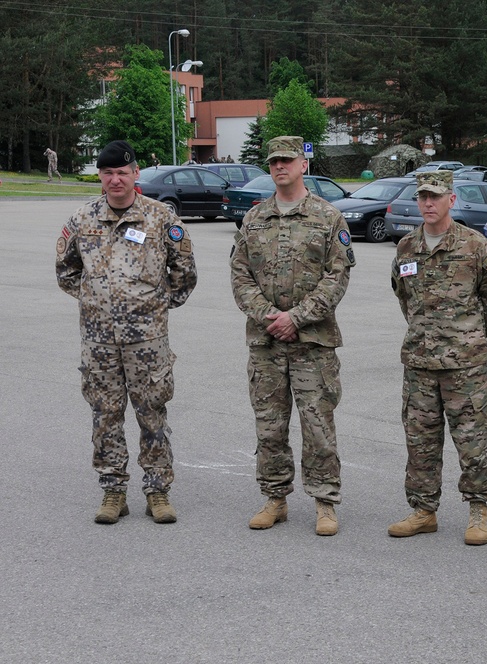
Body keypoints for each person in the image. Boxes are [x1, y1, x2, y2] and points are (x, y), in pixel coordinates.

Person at [55, 139, 197, 524]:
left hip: (147, 341)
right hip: (98, 341)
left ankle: (158, 492)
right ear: (100, 176)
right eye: (108, 173)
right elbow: (66, 271)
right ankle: (113, 490)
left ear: (136, 173)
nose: (115, 179)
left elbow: (185, 274)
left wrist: (152, 307)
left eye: (122, 172)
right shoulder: (82, 220)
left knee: (152, 413)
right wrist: (94, 302)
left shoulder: (161, 219)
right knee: (105, 414)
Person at [230, 136, 355, 537]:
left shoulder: (327, 217)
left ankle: (325, 502)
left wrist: (296, 318)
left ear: (303, 164)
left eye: (287, 160)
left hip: (312, 344)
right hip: (266, 342)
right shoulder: (254, 219)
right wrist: (268, 315)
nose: (279, 167)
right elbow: (239, 274)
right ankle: (275, 499)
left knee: (318, 426)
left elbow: (337, 277)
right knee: (269, 426)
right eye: (273, 162)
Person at [388, 170, 487, 546]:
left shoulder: (475, 246)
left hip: (465, 365)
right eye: (422, 197)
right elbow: (402, 294)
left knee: (472, 440)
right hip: (420, 362)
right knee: (419, 441)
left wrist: (470, 335)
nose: (427, 203)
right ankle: (424, 511)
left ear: (451, 200)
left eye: (435, 197)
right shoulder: (407, 246)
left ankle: (478, 509)